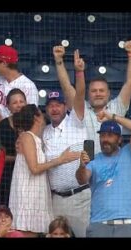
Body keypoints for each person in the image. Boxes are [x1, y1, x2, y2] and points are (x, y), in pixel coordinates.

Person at [53, 40, 131, 154]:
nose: (98, 94)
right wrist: (59, 61)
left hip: (112, 165)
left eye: (101, 90)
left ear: (108, 94)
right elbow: (66, 87)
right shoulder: (80, 109)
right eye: (94, 91)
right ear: (88, 94)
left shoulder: (116, 108)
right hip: (87, 165)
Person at [9, 104, 79, 237]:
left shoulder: (35, 138)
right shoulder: (27, 137)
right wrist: (60, 159)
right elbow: (34, 168)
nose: (43, 117)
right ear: (36, 118)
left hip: (36, 192)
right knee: (27, 230)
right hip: (27, 194)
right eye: (41, 114)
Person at [43, 50, 89, 237]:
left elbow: (79, 95)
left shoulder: (76, 121)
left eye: (58, 104)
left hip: (79, 196)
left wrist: (78, 72)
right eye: (50, 105)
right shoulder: (44, 132)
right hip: (56, 200)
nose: (54, 108)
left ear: (65, 107)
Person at [76, 110, 131, 237]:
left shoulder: (129, 153)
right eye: (102, 135)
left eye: (110, 135)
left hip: (126, 224)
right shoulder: (93, 160)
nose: (105, 139)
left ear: (119, 139)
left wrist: (111, 117)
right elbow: (82, 179)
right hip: (99, 224)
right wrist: (81, 166)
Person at [0, 44, 38, 123]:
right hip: (1, 129)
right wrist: (4, 127)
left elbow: (30, 115)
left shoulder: (28, 85)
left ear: (4, 63)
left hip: (21, 130)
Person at [0, 88, 27, 206]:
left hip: (29, 175)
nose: (19, 105)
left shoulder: (35, 123)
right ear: (8, 106)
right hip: (8, 176)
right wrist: (19, 158)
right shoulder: (3, 125)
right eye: (14, 103)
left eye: (21, 101)